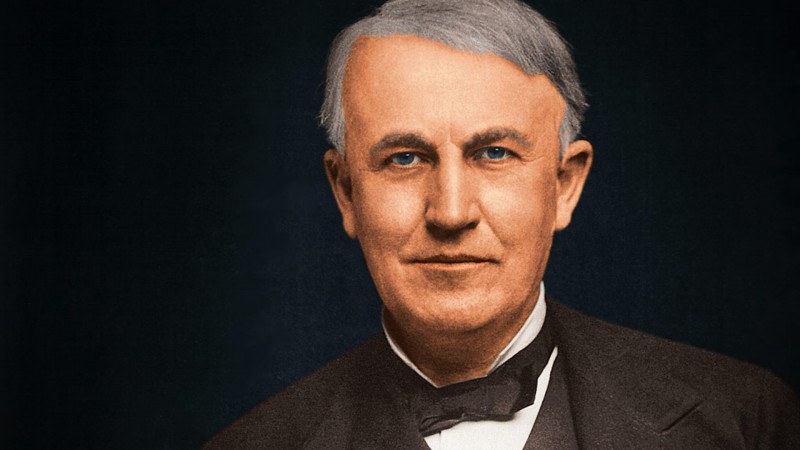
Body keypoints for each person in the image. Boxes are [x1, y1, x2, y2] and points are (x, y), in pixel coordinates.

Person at [205, 0, 800, 448]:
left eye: (494, 153)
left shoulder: (746, 421)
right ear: (346, 193)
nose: (451, 212)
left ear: (565, 185)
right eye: (405, 158)